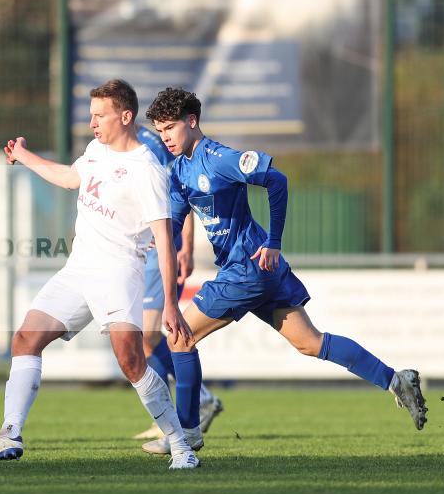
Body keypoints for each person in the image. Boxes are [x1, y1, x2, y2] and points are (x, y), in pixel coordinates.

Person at [140, 87, 427, 454]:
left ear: (192, 121)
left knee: (179, 338)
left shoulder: (219, 158)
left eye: (170, 127)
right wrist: (147, 240)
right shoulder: (180, 169)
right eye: (160, 130)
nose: (165, 137)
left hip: (249, 267)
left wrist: (274, 241)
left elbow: (277, 180)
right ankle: (395, 380)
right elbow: (174, 221)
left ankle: (187, 432)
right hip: (257, 269)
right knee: (310, 342)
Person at [0, 79, 200, 470]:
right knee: (25, 338)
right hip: (78, 270)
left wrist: (171, 304)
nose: (92, 123)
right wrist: (23, 155)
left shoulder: (147, 169)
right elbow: (71, 178)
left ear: (126, 116)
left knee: (131, 361)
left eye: (100, 115)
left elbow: (164, 239)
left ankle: (180, 445)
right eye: (91, 115)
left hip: (119, 272)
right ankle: (9, 434)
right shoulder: (95, 150)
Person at [131, 126, 224, 442]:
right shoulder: (107, 148)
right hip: (135, 249)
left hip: (158, 248)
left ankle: (190, 406)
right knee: (143, 338)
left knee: (146, 335)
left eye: (101, 115)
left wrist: (186, 246)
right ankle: (190, 406)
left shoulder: (149, 146)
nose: (94, 123)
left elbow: (177, 194)